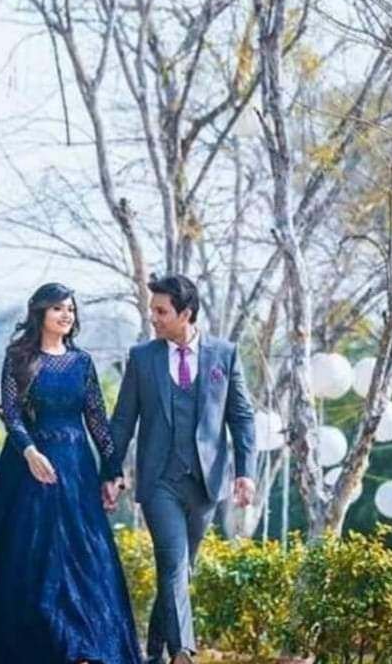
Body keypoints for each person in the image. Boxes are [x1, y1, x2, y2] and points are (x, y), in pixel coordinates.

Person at [0, 282, 142, 664]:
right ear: (41, 312)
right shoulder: (18, 357)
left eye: (71, 309)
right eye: (58, 308)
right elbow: (11, 414)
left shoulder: (81, 363)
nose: (66, 315)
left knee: (84, 558)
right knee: (26, 556)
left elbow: (97, 420)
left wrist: (112, 470)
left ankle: (85, 647)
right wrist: (30, 451)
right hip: (26, 470)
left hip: (76, 471)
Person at [103, 274, 256, 664]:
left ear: (185, 313)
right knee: (173, 562)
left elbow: (241, 416)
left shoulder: (224, 354)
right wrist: (111, 469)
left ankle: (153, 653)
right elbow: (123, 420)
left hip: (206, 483)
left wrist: (245, 471)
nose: (153, 317)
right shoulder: (143, 358)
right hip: (159, 482)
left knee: (179, 571)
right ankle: (182, 652)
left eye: (161, 311)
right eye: (152, 310)